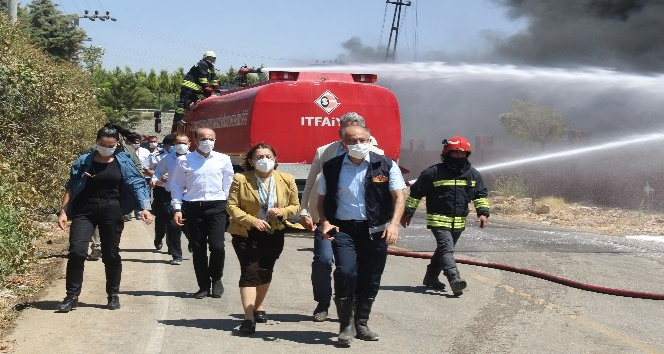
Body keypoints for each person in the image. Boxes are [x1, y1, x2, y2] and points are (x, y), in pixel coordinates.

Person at [317, 125, 406, 345]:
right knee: (346, 272)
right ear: (343, 143)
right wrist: (325, 221)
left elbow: (399, 197)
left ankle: (362, 323)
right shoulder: (331, 167)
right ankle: (345, 325)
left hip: (376, 232)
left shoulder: (385, 165)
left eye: (362, 140)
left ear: (370, 140)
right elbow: (321, 200)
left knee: (370, 277)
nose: (358, 144)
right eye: (353, 141)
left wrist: (393, 225)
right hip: (344, 230)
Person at [56, 124, 153, 312]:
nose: (107, 148)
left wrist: (144, 208)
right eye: (103, 144)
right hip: (86, 210)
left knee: (111, 254)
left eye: (111, 145)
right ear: (97, 142)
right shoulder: (84, 161)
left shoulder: (123, 161)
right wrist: (63, 212)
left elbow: (137, 184)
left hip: (112, 209)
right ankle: (71, 296)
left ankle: (113, 295)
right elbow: (71, 186)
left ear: (117, 144)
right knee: (77, 251)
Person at [299, 112, 383, 322]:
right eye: (345, 131)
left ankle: (349, 302)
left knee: (351, 267)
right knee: (323, 260)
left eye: (356, 131)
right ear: (340, 134)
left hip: (359, 221)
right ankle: (323, 302)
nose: (351, 137)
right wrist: (304, 210)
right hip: (327, 217)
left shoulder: (377, 154)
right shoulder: (324, 151)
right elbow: (311, 182)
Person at [400, 136, 490, 296]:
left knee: (443, 250)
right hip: (438, 220)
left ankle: (431, 279)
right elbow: (415, 194)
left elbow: (481, 195)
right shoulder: (433, 173)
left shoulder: (473, 175)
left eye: (462, 154)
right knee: (446, 249)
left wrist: (483, 213)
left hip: (459, 222)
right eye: (455, 153)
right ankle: (454, 279)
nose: (459, 157)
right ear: (447, 153)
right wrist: (407, 214)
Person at [226, 143, 300, 334]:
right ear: (251, 161)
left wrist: (282, 211)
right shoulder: (241, 179)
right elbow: (231, 206)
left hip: (274, 231)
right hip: (246, 232)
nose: (264, 160)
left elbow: (295, 205)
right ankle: (248, 318)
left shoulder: (287, 179)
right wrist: (252, 220)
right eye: (259, 157)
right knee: (250, 271)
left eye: (268, 156)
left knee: (266, 270)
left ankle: (258, 306)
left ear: (275, 160)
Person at [170, 127, 234, 299]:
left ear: (215, 140)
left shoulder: (223, 159)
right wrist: (177, 208)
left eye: (211, 138)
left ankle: (217, 279)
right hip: (193, 207)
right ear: (196, 140)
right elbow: (176, 186)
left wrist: (231, 207)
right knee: (198, 248)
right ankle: (203, 285)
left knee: (217, 246)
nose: (207, 142)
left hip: (217, 207)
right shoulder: (184, 161)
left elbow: (229, 184)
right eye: (203, 138)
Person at [152, 134, 190, 264]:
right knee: (173, 225)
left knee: (189, 226)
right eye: (178, 143)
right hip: (171, 196)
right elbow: (157, 173)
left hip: (189, 197)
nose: (181, 146)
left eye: (184, 143)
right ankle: (176, 255)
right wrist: (158, 180)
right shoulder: (167, 159)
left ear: (189, 144)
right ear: (174, 144)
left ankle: (193, 242)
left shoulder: (194, 159)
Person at [173, 51, 217, 131]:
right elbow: (202, 77)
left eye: (213, 58)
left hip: (198, 88)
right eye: (210, 58)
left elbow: (214, 78)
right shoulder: (202, 64)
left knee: (198, 102)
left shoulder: (211, 67)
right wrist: (207, 86)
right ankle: (178, 120)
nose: (211, 60)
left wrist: (215, 87)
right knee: (183, 103)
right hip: (189, 86)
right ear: (205, 58)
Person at [149, 134, 176, 252]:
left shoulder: (186, 156)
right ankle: (159, 237)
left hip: (176, 191)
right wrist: (158, 179)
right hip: (161, 190)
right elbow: (148, 170)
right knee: (161, 217)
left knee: (172, 218)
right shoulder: (156, 155)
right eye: (173, 144)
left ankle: (171, 244)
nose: (176, 147)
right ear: (165, 145)